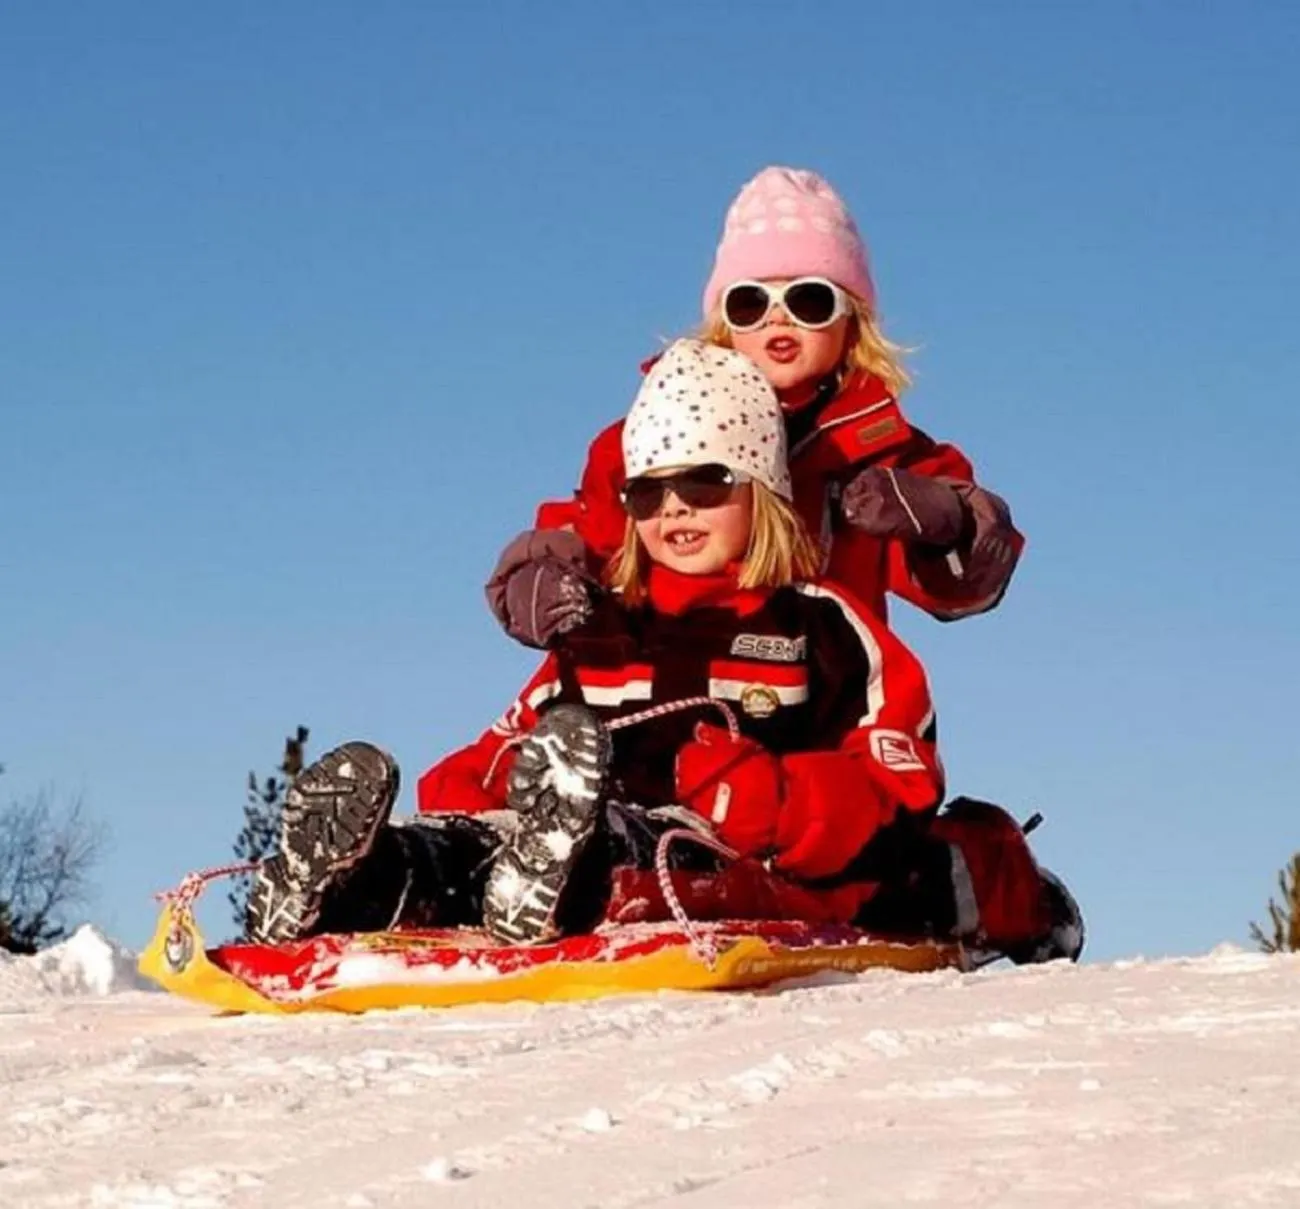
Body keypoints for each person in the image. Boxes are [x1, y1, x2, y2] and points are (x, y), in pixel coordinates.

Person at [246, 341, 1080, 964]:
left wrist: (777, 798)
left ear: (764, 494)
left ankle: (557, 873)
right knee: (472, 849)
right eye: (649, 491)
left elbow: (898, 785)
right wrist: (476, 792)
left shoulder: (822, 626)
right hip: (567, 832)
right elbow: (500, 745)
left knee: (643, 853)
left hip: (731, 855)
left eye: (707, 483)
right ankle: (361, 880)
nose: (676, 507)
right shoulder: (604, 630)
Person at [487, 166, 1024, 655]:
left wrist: (948, 523)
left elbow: (963, 589)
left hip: (826, 692)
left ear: (852, 321)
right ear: (724, 322)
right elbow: (595, 528)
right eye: (750, 302)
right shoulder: (659, 434)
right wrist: (543, 572)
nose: (777, 319)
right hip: (679, 677)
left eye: (809, 300)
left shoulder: (883, 452)